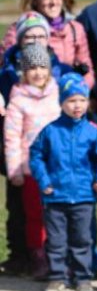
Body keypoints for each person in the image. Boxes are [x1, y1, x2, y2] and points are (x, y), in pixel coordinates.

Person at [29, 73, 97, 291]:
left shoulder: (93, 132)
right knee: (56, 241)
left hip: (83, 196)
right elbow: (36, 157)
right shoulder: (50, 131)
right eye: (71, 100)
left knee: (83, 239)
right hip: (55, 197)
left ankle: (83, 279)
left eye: (82, 100)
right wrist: (44, 181)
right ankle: (57, 278)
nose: (77, 105)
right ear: (61, 102)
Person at [4, 44, 61, 278]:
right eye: (32, 68)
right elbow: (12, 137)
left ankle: (58, 257)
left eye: (42, 67)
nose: (38, 72)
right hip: (29, 170)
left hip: (57, 168)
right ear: (24, 72)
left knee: (57, 215)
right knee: (35, 216)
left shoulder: (57, 94)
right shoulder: (17, 100)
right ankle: (38, 257)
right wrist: (14, 169)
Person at [1, 0, 94, 88]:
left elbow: (87, 69)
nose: (53, 2)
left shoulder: (75, 29)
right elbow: (7, 65)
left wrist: (77, 91)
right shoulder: (20, 29)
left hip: (66, 94)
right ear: (35, 0)